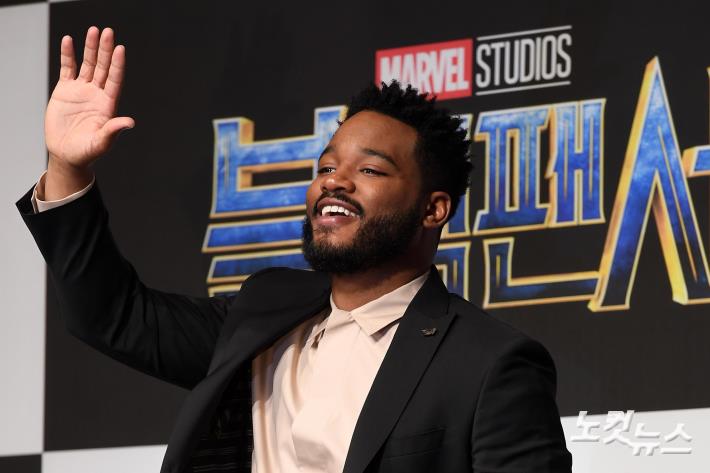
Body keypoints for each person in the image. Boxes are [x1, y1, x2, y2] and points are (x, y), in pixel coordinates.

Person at [17, 26, 572, 473]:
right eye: (326, 166)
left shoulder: (489, 362)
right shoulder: (264, 311)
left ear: (434, 210)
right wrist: (67, 166)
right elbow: (111, 316)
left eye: (370, 170)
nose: (334, 182)